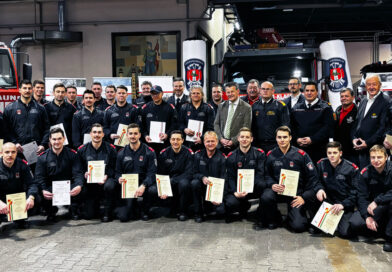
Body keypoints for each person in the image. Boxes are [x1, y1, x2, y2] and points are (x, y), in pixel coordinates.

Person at [261, 126, 319, 232]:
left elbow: (313, 177)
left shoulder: (301, 155)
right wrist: (272, 185)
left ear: (290, 138)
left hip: (296, 194)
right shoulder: (271, 155)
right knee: (266, 196)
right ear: (276, 138)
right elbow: (267, 175)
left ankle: (291, 217)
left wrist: (303, 197)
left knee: (298, 227)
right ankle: (275, 218)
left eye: (285, 137)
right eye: (279, 137)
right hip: (278, 191)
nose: (282, 140)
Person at [35, 128, 84, 221]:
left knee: (82, 187)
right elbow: (39, 177)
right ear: (49, 140)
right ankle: (51, 211)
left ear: (64, 139)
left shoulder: (73, 154)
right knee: (38, 190)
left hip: (69, 186)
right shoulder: (42, 158)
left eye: (59, 138)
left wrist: (79, 185)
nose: (57, 142)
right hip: (51, 188)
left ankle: (73, 209)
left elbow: (78, 173)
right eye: (54, 139)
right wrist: (43, 190)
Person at [314, 141, 359, 238]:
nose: (332, 156)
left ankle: (345, 219)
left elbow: (355, 192)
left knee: (344, 233)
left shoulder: (351, 168)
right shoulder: (321, 164)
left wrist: (343, 204)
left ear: (341, 153)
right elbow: (316, 180)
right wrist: (319, 189)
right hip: (328, 203)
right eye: (329, 153)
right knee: (322, 230)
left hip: (344, 204)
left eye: (335, 153)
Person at [352, 145, 392, 252]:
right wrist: (366, 217)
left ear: (386, 157)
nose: (376, 160)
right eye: (373, 157)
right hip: (373, 209)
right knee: (355, 223)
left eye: (379, 157)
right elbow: (361, 197)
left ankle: (389, 238)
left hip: (387, 205)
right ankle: (380, 230)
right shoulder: (365, 173)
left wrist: (377, 200)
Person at [115, 123, 157, 222]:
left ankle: (145, 210)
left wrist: (144, 185)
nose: (133, 136)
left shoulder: (149, 152)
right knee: (124, 218)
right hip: (129, 185)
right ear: (127, 135)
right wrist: (119, 178)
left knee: (153, 190)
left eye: (135, 133)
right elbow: (117, 172)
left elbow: (152, 173)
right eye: (130, 134)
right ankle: (133, 208)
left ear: (139, 135)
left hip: (144, 183)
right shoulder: (121, 153)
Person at [77, 124, 117, 222]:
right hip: (90, 183)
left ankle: (107, 211)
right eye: (94, 132)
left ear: (103, 134)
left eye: (99, 132)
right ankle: (88, 207)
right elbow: (79, 169)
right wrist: (84, 174)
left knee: (110, 185)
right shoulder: (82, 150)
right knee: (89, 216)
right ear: (90, 134)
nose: (97, 135)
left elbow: (114, 167)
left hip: (105, 180)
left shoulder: (111, 149)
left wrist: (107, 175)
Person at [224, 127, 265, 223]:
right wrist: (235, 192)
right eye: (242, 137)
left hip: (253, 188)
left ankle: (261, 212)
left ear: (251, 139)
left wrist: (249, 188)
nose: (244, 139)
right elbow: (230, 177)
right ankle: (244, 206)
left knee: (262, 185)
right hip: (238, 189)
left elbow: (260, 174)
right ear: (238, 138)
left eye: (247, 137)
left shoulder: (259, 154)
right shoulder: (231, 156)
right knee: (230, 203)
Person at [152, 131, 193, 221]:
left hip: (182, 179)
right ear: (170, 140)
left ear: (182, 140)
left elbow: (189, 173)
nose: (175, 142)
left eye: (178, 139)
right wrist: (163, 186)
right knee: (153, 189)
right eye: (173, 139)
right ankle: (171, 208)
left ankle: (183, 211)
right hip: (168, 181)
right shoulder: (164, 153)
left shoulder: (188, 153)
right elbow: (160, 173)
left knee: (184, 184)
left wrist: (173, 181)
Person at [290, 81, 334, 163]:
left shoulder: (325, 107)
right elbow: (292, 126)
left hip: (319, 149)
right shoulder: (296, 108)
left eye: (312, 90)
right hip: (300, 148)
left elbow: (328, 127)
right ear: (303, 92)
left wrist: (312, 139)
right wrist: (296, 139)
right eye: (307, 90)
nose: (309, 93)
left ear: (317, 92)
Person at [3, 79, 49, 155]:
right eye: (24, 88)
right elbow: (6, 130)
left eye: (29, 88)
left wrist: (43, 144)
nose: (27, 90)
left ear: (32, 90)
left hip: (36, 150)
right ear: (19, 90)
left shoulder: (40, 108)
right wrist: (15, 143)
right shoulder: (10, 108)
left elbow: (47, 128)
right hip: (17, 149)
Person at [353, 75, 390, 169]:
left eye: (374, 84)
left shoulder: (386, 102)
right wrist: (354, 138)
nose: (371, 87)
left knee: (376, 180)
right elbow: (357, 123)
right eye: (369, 84)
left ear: (380, 85)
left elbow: (383, 127)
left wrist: (368, 142)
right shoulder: (363, 101)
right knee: (363, 178)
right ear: (365, 86)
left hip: (376, 151)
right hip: (360, 149)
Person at [0, 142, 37, 228]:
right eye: (7, 152)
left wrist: (31, 198)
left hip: (17, 199)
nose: (10, 155)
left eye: (13, 152)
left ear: (17, 153)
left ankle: (20, 219)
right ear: (1, 153)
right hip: (1, 200)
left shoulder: (22, 165)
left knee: (37, 197)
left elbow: (32, 184)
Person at [191, 131, 226, 223]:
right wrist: (202, 177)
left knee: (220, 211)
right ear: (203, 142)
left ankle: (210, 207)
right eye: (208, 141)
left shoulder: (222, 157)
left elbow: (223, 178)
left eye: (212, 141)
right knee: (194, 183)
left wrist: (217, 196)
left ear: (217, 142)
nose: (210, 143)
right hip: (202, 186)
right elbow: (193, 173)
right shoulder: (197, 155)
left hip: (216, 189)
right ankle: (198, 213)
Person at [214, 82, 252, 154]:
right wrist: (221, 139)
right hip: (221, 145)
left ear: (238, 91)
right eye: (228, 92)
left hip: (237, 146)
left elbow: (246, 127)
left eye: (232, 91)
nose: (230, 94)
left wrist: (233, 141)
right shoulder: (221, 106)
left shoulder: (247, 107)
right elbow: (216, 124)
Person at [251, 81, 289, 152]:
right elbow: (251, 126)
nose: (265, 91)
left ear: (273, 91)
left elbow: (285, 126)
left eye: (268, 89)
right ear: (260, 90)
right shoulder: (254, 106)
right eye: (263, 89)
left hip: (275, 144)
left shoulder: (281, 106)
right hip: (257, 145)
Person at [140, 85, 178, 154]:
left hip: (165, 144)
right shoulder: (145, 108)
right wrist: (145, 135)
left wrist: (167, 134)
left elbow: (174, 124)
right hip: (149, 143)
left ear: (162, 93)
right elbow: (141, 125)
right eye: (153, 94)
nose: (155, 95)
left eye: (157, 93)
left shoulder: (170, 108)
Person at [179, 85, 215, 151]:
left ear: (202, 95)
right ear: (190, 95)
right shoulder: (184, 107)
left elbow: (211, 128)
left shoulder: (208, 108)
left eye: (198, 93)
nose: (196, 95)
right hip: (187, 144)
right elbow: (180, 123)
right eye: (193, 93)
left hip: (203, 144)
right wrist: (184, 129)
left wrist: (202, 138)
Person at [44, 83, 76, 148]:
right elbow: (44, 127)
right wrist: (47, 141)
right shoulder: (46, 107)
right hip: (51, 143)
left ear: (65, 93)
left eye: (62, 92)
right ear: (53, 93)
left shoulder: (72, 108)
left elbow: (74, 127)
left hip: (67, 144)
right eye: (58, 92)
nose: (60, 94)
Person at [334, 88, 357, 162]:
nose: (344, 98)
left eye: (346, 96)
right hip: (338, 149)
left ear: (353, 97)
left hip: (352, 151)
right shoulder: (338, 110)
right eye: (342, 96)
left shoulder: (358, 112)